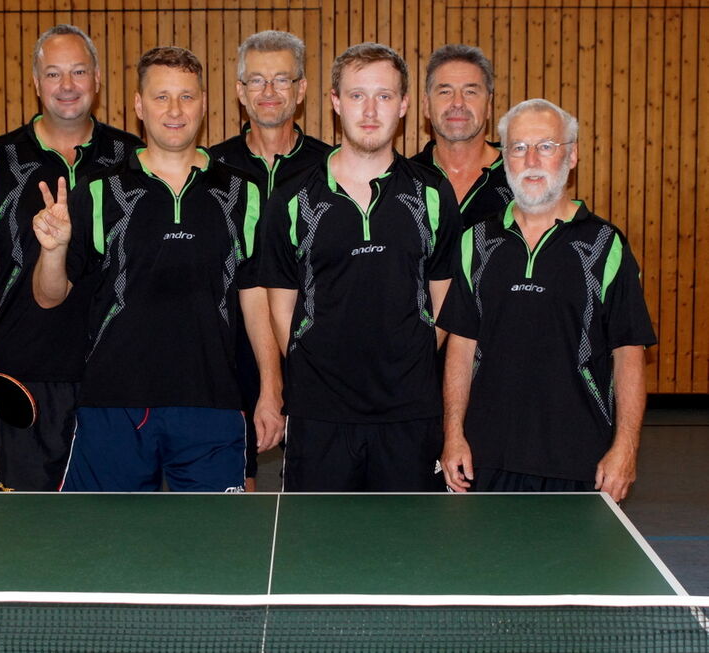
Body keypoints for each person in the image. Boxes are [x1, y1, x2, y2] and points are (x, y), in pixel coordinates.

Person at [31, 47, 272, 492]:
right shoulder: (99, 192)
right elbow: (49, 296)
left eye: (186, 96)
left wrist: (271, 389)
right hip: (113, 405)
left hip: (212, 403)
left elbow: (256, 298)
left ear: (203, 103)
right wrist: (53, 251)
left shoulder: (244, 192)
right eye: (161, 97)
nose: (174, 110)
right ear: (139, 106)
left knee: (222, 536)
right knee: (102, 536)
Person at [0, 24, 142, 491]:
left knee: (112, 524)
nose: (67, 85)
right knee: (14, 524)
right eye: (53, 73)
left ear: (97, 78)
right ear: (36, 83)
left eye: (78, 71)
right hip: (21, 375)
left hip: (113, 379)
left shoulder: (133, 159)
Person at [260, 43, 460, 492]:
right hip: (319, 414)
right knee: (317, 535)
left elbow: (444, 297)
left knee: (409, 535)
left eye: (384, 96)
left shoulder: (432, 193)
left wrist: (405, 359)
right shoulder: (292, 197)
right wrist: (321, 368)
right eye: (357, 96)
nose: (370, 111)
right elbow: (281, 306)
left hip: (410, 412)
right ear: (335, 102)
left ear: (404, 105)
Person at [438, 99, 656, 502]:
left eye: (546, 146)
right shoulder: (476, 242)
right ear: (505, 159)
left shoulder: (606, 245)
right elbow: (462, 347)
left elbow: (628, 352)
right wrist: (453, 436)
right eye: (519, 147)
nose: (531, 160)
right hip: (487, 458)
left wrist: (626, 448)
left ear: (571, 155)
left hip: (580, 461)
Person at [210, 30, 330, 491]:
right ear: (240, 92)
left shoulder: (330, 168)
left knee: (315, 503)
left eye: (282, 79)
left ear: (301, 90)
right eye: (256, 81)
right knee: (236, 502)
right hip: (227, 359)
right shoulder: (211, 169)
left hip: (315, 360)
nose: (269, 91)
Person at [411, 44, 512, 228]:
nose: (458, 103)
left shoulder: (518, 175)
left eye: (470, 92)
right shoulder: (404, 179)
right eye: (445, 92)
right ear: (426, 105)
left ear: (489, 105)